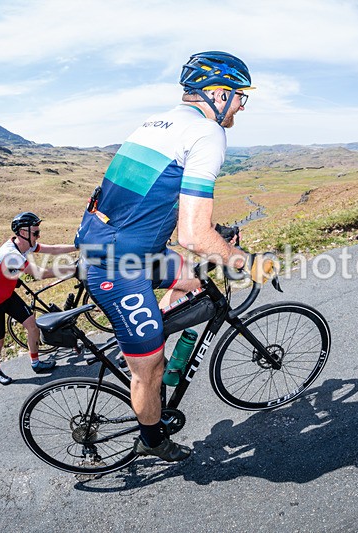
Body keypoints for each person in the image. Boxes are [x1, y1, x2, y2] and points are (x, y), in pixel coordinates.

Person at [74, 51, 272, 462]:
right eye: (239, 96)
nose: (240, 106)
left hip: (115, 243)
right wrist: (245, 261)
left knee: (195, 283)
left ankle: (151, 324)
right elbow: (193, 235)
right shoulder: (206, 133)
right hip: (119, 265)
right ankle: (152, 439)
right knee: (150, 368)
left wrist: (217, 237)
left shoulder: (158, 121)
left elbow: (158, 205)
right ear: (217, 93)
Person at [0, 211, 77, 385]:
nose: (38, 236)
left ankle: (36, 362)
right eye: (36, 233)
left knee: (32, 325)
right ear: (23, 232)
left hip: (7, 294)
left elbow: (52, 249)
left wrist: (77, 246)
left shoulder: (24, 244)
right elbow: (41, 273)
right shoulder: (11, 254)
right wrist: (72, 270)